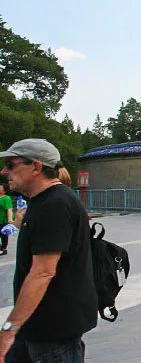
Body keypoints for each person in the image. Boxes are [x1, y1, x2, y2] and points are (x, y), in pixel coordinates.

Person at [0, 139, 97, 362]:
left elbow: (43, 272)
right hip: (36, 324)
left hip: (53, 330)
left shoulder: (55, 205)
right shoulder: (42, 201)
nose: (4, 171)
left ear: (36, 167)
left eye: (11, 165)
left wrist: (8, 329)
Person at [0, 184, 13, 256]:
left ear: (4, 191)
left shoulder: (6, 198)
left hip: (3, 220)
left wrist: (9, 219)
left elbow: (9, 209)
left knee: (3, 235)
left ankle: (3, 249)